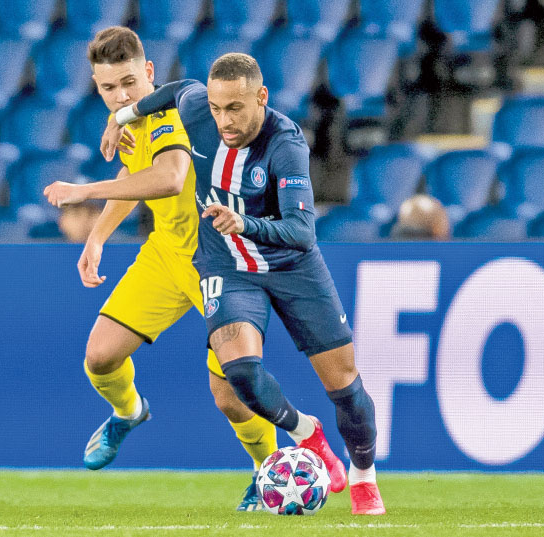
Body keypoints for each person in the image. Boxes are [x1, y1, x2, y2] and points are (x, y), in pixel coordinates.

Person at [84, 53, 386, 515]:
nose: (223, 120)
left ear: (261, 98)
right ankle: (305, 433)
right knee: (239, 373)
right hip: (227, 264)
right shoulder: (197, 108)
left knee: (343, 384)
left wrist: (245, 224)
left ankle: (364, 474)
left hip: (291, 264)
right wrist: (122, 116)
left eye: (235, 109)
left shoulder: (285, 143)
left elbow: (302, 232)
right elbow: (175, 90)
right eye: (216, 108)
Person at [43, 28, 277, 511]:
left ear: (149, 72)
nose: (121, 95)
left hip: (221, 259)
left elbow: (169, 177)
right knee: (100, 357)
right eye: (108, 88)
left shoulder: (174, 113)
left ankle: (268, 471)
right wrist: (98, 235)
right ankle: (129, 411)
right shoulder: (129, 119)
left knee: (230, 396)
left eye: (129, 82)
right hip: (168, 252)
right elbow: (134, 173)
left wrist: (84, 193)